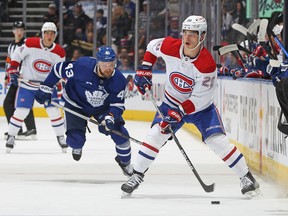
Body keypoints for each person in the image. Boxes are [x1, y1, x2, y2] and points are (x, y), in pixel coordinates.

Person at [121, 15, 260, 197]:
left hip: (201, 109)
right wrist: (145, 68)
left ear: (202, 36)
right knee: (155, 135)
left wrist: (180, 111)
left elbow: (201, 98)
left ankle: (247, 177)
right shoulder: (171, 46)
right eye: (185, 33)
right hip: (170, 102)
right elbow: (152, 46)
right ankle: (136, 175)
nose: (186, 38)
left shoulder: (207, 64)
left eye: (192, 34)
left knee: (217, 141)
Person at [34, 46, 133, 177]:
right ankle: (77, 143)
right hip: (76, 104)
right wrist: (46, 87)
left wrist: (110, 117)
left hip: (102, 108)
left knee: (121, 135)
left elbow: (117, 105)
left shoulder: (119, 80)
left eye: (111, 64)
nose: (108, 68)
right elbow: (58, 69)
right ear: (98, 62)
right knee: (75, 141)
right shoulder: (82, 66)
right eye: (105, 65)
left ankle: (125, 163)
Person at [5, 22, 68, 153]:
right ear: (43, 34)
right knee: (21, 111)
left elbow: (59, 72)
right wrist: (12, 69)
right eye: (47, 33)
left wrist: (59, 85)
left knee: (54, 111)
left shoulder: (59, 52)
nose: (49, 36)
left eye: (52, 33)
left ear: (55, 35)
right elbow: (17, 55)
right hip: (27, 85)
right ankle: (11, 136)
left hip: (47, 87)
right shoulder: (30, 43)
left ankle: (61, 137)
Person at [4, 21, 37, 140]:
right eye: (17, 29)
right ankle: (27, 129)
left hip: (22, 78)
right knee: (18, 103)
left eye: (21, 29)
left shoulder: (26, 45)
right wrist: (6, 77)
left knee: (10, 103)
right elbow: (8, 61)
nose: (19, 32)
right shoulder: (11, 45)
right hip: (14, 78)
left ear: (24, 31)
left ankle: (20, 130)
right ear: (13, 31)